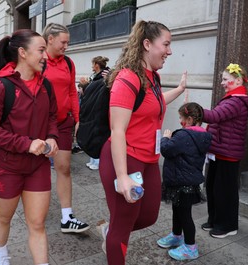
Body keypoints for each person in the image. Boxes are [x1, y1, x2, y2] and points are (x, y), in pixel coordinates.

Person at [97, 20, 187, 264]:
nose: (169, 51)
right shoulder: (127, 79)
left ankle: (112, 230)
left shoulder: (153, 77)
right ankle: (115, 235)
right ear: (147, 44)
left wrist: (178, 90)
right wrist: (123, 175)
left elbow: (152, 105)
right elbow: (117, 131)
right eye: (166, 44)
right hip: (126, 159)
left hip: (149, 159)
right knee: (123, 225)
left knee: (148, 216)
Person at [0, 29, 59, 265]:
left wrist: (52, 137)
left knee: (37, 224)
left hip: (38, 166)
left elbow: (53, 116)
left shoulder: (47, 86)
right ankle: (1, 252)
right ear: (22, 53)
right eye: (41, 50)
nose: (46, 55)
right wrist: (26, 144)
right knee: (4, 217)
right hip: (6, 166)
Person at [42, 23, 89, 233]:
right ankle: (36, 211)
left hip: (62, 123)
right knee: (38, 169)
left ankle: (66, 216)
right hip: (39, 125)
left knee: (64, 168)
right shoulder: (38, 60)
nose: (66, 46)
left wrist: (78, 118)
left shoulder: (68, 63)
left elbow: (71, 92)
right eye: (63, 42)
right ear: (50, 39)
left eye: (68, 42)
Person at [201, 63, 248, 238]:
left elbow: (215, 116)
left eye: (226, 79)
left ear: (238, 80)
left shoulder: (236, 101)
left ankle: (228, 225)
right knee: (212, 187)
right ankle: (215, 220)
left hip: (228, 154)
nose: (223, 83)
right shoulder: (231, 99)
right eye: (222, 79)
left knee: (224, 191)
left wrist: (195, 110)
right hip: (219, 151)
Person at [156, 102, 211, 261]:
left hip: (181, 182)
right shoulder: (202, 135)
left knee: (185, 215)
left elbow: (166, 150)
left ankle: (191, 247)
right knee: (178, 210)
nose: (180, 121)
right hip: (185, 182)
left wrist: (165, 138)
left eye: (181, 118)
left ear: (190, 119)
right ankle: (176, 235)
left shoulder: (184, 135)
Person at [78, 56, 110, 170]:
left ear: (96, 65)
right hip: (93, 113)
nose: (92, 66)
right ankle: (93, 160)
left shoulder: (105, 77)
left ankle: (97, 162)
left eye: (93, 64)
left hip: (98, 114)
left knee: (97, 137)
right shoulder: (97, 77)